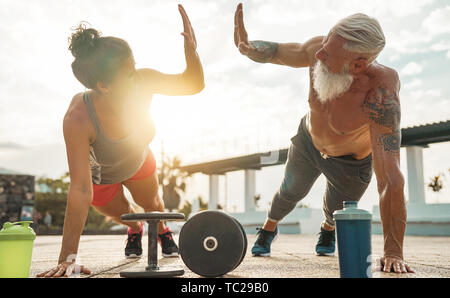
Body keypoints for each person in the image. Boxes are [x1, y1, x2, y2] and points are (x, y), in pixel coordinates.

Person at [234, 3, 413, 274]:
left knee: (335, 210)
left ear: (358, 64)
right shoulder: (319, 49)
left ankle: (327, 229)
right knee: (288, 192)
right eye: (325, 41)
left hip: (351, 162)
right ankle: (268, 228)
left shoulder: (380, 90)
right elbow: (280, 52)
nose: (318, 54)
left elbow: (390, 176)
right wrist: (248, 47)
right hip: (309, 142)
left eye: (328, 53)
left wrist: (393, 251)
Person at [37, 4, 204, 277]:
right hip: (101, 177)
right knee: (126, 214)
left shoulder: (143, 81)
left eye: (134, 65)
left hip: (138, 160)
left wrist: (191, 52)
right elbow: (79, 189)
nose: (136, 74)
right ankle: (135, 230)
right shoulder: (78, 117)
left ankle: (161, 229)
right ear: (103, 85)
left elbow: (193, 84)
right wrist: (67, 259)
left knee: (152, 204)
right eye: (128, 72)